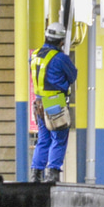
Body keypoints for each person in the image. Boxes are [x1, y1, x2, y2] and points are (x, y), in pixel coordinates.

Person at [31, 22, 77, 183]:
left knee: (43, 139)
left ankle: (36, 174)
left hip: (38, 102)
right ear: (61, 41)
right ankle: (53, 173)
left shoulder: (35, 55)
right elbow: (72, 77)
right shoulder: (60, 58)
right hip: (55, 101)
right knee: (59, 138)